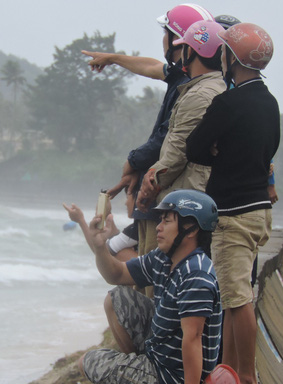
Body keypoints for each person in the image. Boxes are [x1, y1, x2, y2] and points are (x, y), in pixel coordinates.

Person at [186, 22, 280, 384]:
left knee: (238, 299)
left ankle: (247, 382)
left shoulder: (228, 102)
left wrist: (215, 149)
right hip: (259, 211)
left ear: (230, 57)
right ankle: (224, 379)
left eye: (224, 51)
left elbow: (194, 147)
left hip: (233, 214)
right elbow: (267, 150)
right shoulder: (270, 102)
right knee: (232, 295)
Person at [82, 4, 215, 262]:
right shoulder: (184, 75)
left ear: (178, 41)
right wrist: (112, 58)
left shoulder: (190, 87)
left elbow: (166, 140)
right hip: (161, 192)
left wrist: (131, 162)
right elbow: (151, 66)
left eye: (166, 34)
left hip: (162, 195)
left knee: (153, 277)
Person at [77, 189, 222, 384]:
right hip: (161, 355)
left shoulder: (196, 274)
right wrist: (100, 248)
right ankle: (140, 367)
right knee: (118, 297)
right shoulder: (164, 258)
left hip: (174, 377)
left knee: (85, 362)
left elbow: (194, 337)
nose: (158, 227)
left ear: (190, 229)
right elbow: (116, 274)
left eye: (167, 221)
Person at [136, 20, 226, 214]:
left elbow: (178, 150)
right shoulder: (216, 87)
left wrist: (151, 182)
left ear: (192, 52)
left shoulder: (199, 95)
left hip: (187, 199)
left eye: (185, 47)